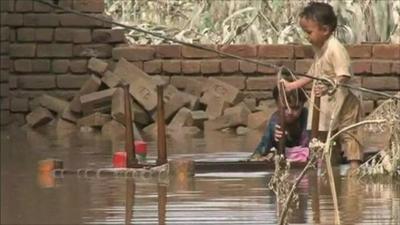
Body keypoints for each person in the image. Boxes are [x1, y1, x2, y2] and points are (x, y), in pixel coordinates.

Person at [283, 2, 362, 169]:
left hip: (346, 100)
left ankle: (354, 169)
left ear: (325, 30)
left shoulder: (335, 48)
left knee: (349, 134)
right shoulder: (319, 48)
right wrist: (292, 85)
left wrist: (329, 87)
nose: (307, 37)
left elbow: (343, 75)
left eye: (309, 32)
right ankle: (329, 170)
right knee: (327, 137)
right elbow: (314, 73)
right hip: (329, 103)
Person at [249, 85, 309, 161]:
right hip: (284, 155)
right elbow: (263, 147)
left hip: (301, 155)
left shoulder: (306, 115)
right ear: (277, 105)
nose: (290, 112)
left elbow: (307, 142)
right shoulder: (275, 120)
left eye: (295, 108)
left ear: (302, 105)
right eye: (285, 108)